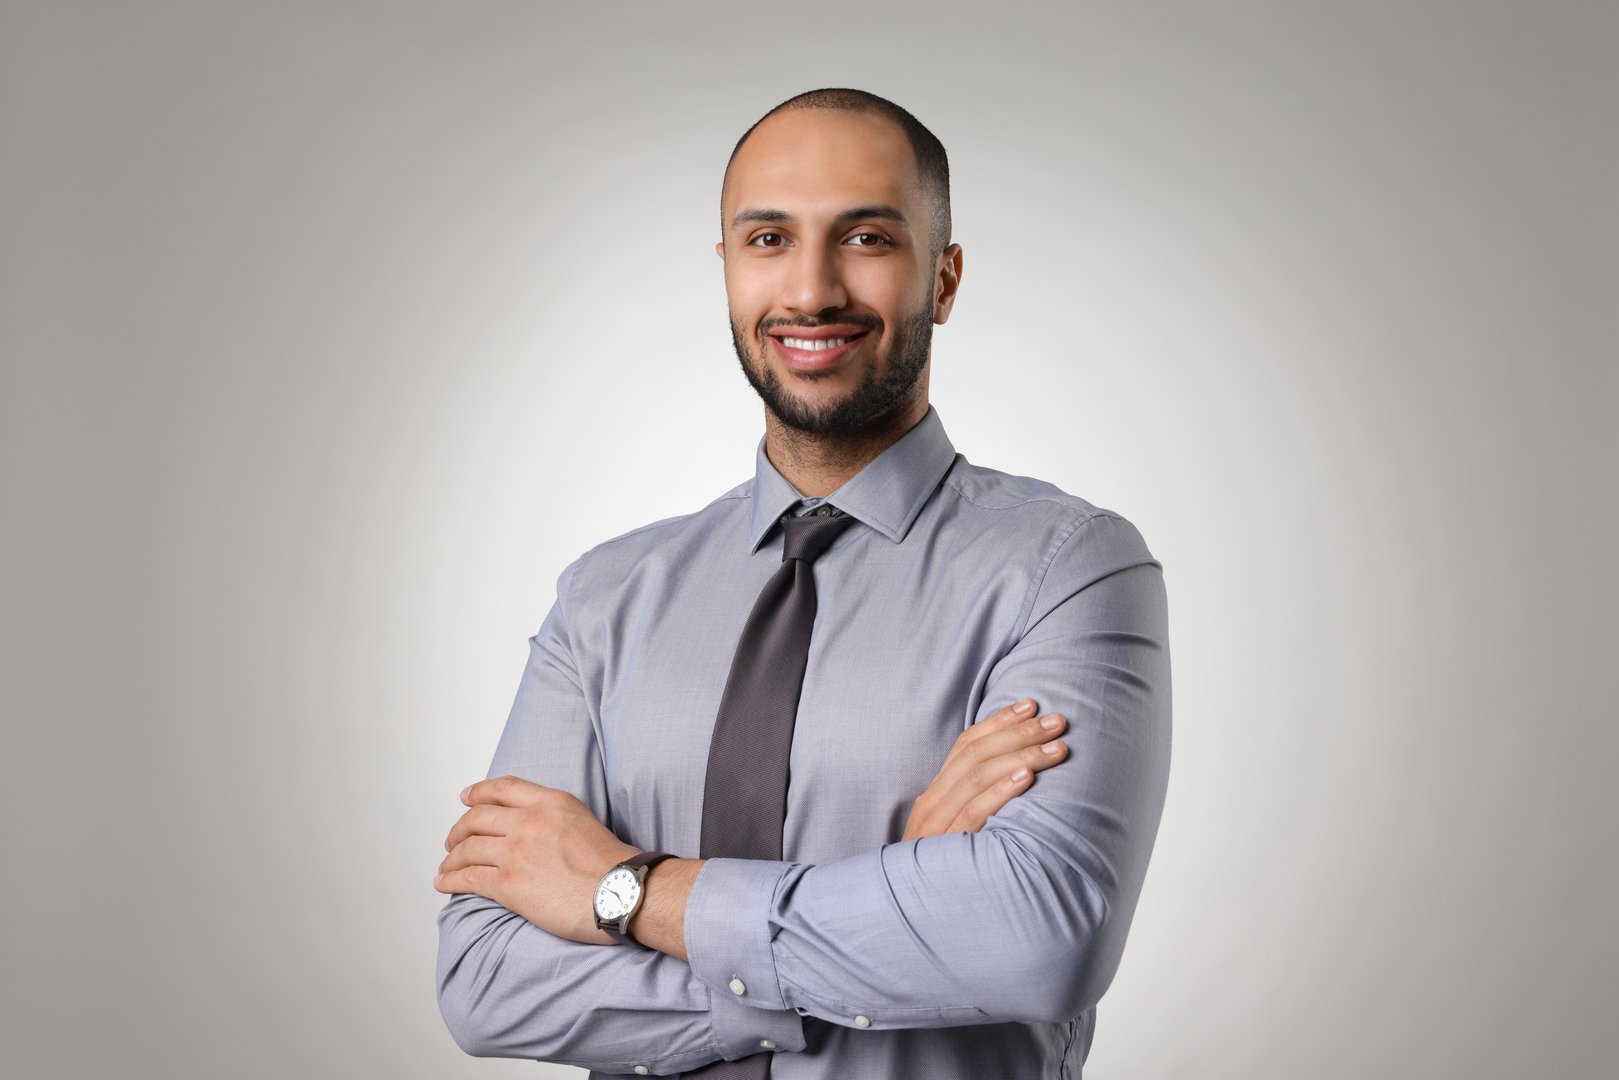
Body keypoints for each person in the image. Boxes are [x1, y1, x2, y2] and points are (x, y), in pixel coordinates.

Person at [434, 87, 1172, 1079]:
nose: (811, 290)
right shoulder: (602, 600)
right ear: (729, 270)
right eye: (768, 238)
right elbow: (484, 981)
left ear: (943, 280)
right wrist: (892, 903)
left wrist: (626, 894)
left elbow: (1038, 940)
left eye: (865, 237)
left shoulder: (1065, 568)